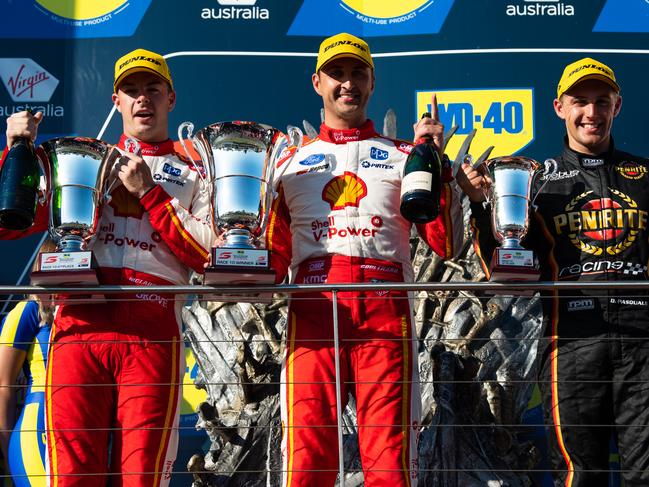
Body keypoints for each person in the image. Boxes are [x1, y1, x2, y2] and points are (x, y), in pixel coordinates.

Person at [0, 48, 213, 486]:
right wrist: (15, 151)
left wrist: (151, 193)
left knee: (142, 477)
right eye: (131, 90)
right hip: (80, 324)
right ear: (116, 101)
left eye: (153, 89)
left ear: (171, 99)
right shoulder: (78, 159)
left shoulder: (196, 169)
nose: (143, 100)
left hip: (152, 326)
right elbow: (10, 225)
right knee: (73, 475)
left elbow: (209, 255)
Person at [266, 32, 464, 486]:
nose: (347, 83)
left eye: (358, 73)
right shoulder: (291, 164)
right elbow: (275, 258)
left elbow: (444, 244)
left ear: (372, 81)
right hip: (313, 308)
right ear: (318, 82)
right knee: (306, 458)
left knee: (389, 462)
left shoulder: (403, 156)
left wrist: (438, 167)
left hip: (384, 307)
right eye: (337, 73)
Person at [462, 58, 649, 486]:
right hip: (572, 342)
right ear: (558, 107)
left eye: (602, 101)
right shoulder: (536, 180)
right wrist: (478, 205)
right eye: (579, 101)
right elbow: (506, 262)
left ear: (617, 106)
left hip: (643, 342)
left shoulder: (644, 175)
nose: (591, 112)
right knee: (580, 474)